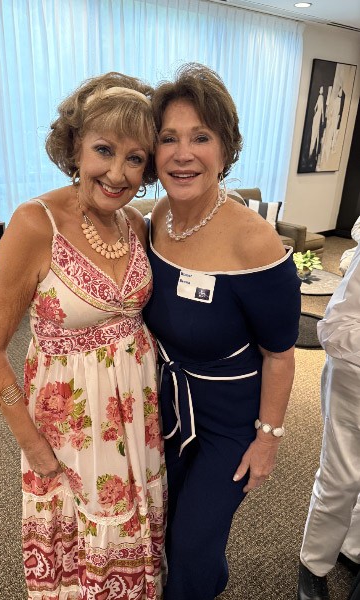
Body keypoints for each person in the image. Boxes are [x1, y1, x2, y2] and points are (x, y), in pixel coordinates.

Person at [0, 72, 167, 599]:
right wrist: (31, 444)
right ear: (75, 146)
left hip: (138, 414)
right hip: (71, 427)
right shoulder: (35, 223)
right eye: (104, 149)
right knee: (83, 546)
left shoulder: (135, 223)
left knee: (137, 533)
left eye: (135, 158)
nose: (118, 173)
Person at [142, 63, 301, 599]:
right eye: (169, 138)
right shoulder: (157, 219)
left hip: (230, 424)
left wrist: (268, 440)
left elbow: (280, 354)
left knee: (191, 543)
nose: (182, 154)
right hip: (167, 406)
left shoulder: (254, 242)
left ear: (226, 149)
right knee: (167, 528)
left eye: (201, 137)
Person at [298, 243, 360, 600]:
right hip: (354, 382)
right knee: (341, 478)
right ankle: (314, 564)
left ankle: (352, 547)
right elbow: (334, 329)